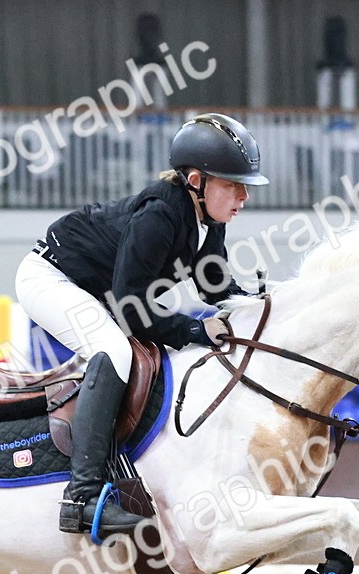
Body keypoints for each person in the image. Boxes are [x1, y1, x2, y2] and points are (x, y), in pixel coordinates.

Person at [14, 113, 269, 537]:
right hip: (51, 278)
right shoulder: (160, 216)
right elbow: (132, 311)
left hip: (99, 289)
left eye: (243, 186)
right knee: (114, 351)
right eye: (232, 184)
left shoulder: (210, 221)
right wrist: (192, 330)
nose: (243, 195)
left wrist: (264, 304)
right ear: (195, 181)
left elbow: (215, 287)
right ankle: (82, 498)